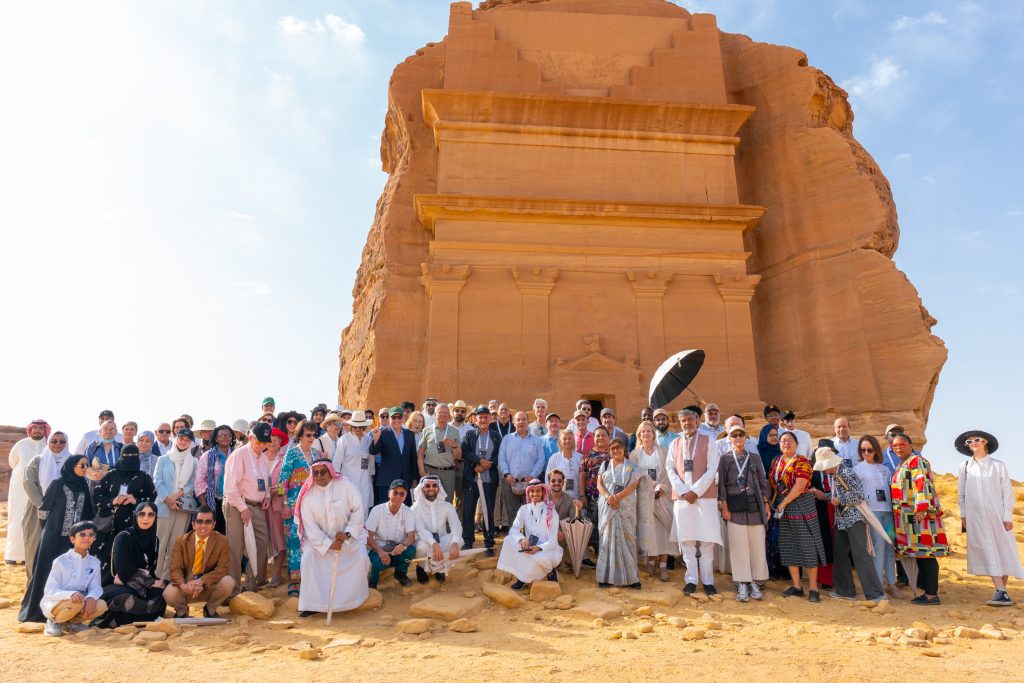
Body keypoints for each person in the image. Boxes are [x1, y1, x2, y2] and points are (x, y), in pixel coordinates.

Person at [19, 455, 94, 623]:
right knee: (48, 571)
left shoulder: (83, 486)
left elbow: (88, 513)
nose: (85, 467)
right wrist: (50, 530)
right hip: (53, 537)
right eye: (81, 465)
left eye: (86, 465)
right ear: (71, 466)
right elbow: (44, 511)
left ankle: (67, 611)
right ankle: (38, 612)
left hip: (74, 541)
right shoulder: (58, 484)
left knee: (69, 574)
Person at [955, 429, 1023, 606]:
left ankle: (1001, 591)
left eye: (976, 440)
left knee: (1004, 550)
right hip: (975, 516)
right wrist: (964, 515)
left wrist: (1007, 515)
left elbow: (1007, 493)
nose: (973, 443)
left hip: (997, 515)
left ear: (985, 442)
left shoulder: (998, 466)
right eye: (969, 442)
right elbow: (961, 494)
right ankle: (1001, 590)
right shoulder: (965, 467)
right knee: (986, 549)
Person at [294, 458, 368, 617]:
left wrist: (347, 534)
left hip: (349, 539)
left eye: (323, 472)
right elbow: (310, 528)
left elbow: (358, 511)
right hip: (320, 543)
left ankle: (352, 601)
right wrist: (328, 544)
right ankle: (312, 604)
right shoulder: (308, 496)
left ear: (331, 472)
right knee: (308, 558)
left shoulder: (346, 485)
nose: (319, 476)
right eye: (315, 473)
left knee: (361, 556)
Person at [811, 448, 885, 603]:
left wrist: (838, 500)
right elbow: (838, 496)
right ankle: (845, 591)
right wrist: (825, 496)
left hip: (854, 518)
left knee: (861, 555)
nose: (823, 470)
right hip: (842, 519)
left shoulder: (847, 473)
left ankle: (876, 594)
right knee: (840, 553)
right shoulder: (836, 474)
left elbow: (858, 495)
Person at [667, 408, 722, 595]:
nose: (687, 423)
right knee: (687, 542)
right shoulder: (674, 443)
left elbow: (712, 468)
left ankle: (707, 581)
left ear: (698, 421)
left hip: (704, 498)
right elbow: (670, 469)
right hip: (683, 500)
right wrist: (684, 491)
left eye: (690, 419)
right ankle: (691, 580)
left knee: (707, 542)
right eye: (683, 420)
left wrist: (696, 491)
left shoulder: (709, 441)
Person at [770, 431, 827, 602]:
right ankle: (796, 586)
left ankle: (814, 589)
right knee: (788, 545)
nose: (786, 443)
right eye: (783, 441)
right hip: (783, 507)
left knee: (807, 545)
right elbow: (771, 483)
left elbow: (800, 485)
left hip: (801, 505)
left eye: (790, 440)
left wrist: (783, 503)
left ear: (796, 444)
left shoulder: (802, 461)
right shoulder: (776, 461)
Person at [890, 432, 946, 605]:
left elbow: (921, 485)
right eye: (895, 446)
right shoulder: (903, 464)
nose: (898, 448)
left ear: (910, 445)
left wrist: (921, 508)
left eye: (902, 445)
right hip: (908, 517)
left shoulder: (916, 461)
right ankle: (928, 592)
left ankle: (931, 594)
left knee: (927, 553)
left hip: (919, 515)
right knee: (920, 553)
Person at [718, 423, 769, 601]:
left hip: (755, 506)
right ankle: (742, 582)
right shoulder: (725, 458)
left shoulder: (754, 458)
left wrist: (766, 505)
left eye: (741, 435)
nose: (738, 438)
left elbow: (763, 483)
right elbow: (722, 485)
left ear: (746, 437)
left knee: (756, 545)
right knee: (738, 545)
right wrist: (724, 507)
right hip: (735, 507)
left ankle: (754, 581)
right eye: (734, 435)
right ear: (729, 439)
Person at [91, 444, 157, 582]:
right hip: (109, 526)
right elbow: (96, 495)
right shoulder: (110, 475)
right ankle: (104, 584)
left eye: (133, 457)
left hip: (133, 526)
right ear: (120, 457)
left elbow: (152, 497)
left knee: (129, 553)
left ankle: (129, 582)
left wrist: (136, 500)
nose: (130, 460)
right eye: (126, 456)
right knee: (106, 555)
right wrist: (112, 501)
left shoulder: (144, 477)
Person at [95, 501, 166, 627]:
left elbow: (151, 568)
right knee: (127, 597)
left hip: (137, 582)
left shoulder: (154, 540)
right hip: (116, 583)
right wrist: (150, 582)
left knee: (161, 593)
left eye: (151, 515)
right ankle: (119, 620)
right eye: (142, 514)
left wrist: (156, 582)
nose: (146, 518)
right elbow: (123, 570)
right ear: (135, 516)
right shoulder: (124, 537)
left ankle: (143, 618)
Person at [224, 422, 272, 592]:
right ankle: (233, 590)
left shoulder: (264, 458)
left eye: (265, 443)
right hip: (238, 504)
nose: (262, 446)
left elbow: (266, 482)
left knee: (262, 542)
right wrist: (242, 508)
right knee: (235, 548)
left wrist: (266, 496)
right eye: (259, 442)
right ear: (251, 438)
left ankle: (251, 586)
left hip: (257, 506)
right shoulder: (239, 455)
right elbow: (230, 488)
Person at [163, 506, 235, 618]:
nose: (203, 525)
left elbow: (222, 569)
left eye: (208, 522)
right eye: (199, 521)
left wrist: (201, 581)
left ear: (214, 524)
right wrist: (183, 586)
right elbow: (175, 569)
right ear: (193, 524)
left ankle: (210, 609)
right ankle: (182, 611)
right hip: (187, 586)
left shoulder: (222, 541)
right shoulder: (181, 541)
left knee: (228, 582)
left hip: (207, 585)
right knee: (169, 593)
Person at [39, 521, 107, 637]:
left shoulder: (95, 562)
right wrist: (71, 594)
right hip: (58, 602)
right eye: (82, 534)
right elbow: (50, 590)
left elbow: (96, 587)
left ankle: (73, 623)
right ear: (72, 539)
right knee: (76, 603)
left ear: (94, 539)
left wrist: (91, 597)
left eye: (91, 535)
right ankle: (54, 621)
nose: (87, 538)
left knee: (101, 605)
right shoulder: (61, 561)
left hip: (80, 601)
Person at [278, 420, 320, 594]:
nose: (311, 438)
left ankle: (312, 581)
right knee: (294, 544)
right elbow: (282, 482)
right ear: (300, 435)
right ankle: (294, 583)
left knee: (314, 542)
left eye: (314, 435)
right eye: (308, 434)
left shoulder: (318, 455)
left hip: (315, 507)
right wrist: (285, 504)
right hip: (294, 506)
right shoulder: (292, 454)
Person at [497, 479, 563, 590]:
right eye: (532, 491)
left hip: (547, 549)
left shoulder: (551, 511)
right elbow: (514, 530)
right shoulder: (524, 509)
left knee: (538, 558)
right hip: (529, 546)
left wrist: (538, 548)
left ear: (543, 492)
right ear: (528, 493)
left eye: (538, 491)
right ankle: (522, 576)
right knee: (508, 540)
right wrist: (522, 539)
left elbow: (553, 542)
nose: (535, 494)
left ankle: (550, 572)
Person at [854, 434, 899, 597]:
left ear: (875, 450)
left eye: (869, 450)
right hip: (872, 513)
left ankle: (891, 584)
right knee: (878, 546)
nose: (866, 453)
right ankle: (878, 586)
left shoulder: (885, 469)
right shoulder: (857, 469)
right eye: (863, 450)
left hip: (888, 513)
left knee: (889, 547)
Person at [596, 436, 642, 589]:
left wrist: (617, 497)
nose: (615, 450)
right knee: (607, 540)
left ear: (624, 449)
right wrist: (609, 497)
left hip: (625, 507)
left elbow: (633, 485)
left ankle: (632, 578)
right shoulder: (605, 465)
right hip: (607, 505)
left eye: (618, 447)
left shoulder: (632, 466)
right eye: (612, 448)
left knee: (628, 540)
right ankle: (605, 577)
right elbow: (599, 484)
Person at [23, 432, 70, 577]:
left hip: (64, 511)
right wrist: (44, 505)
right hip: (37, 510)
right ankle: (33, 588)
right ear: (48, 442)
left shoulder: (71, 462)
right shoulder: (37, 461)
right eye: (54, 441)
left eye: (62, 441)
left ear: (66, 443)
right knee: (35, 548)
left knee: (61, 550)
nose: (57, 444)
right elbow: (28, 483)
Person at [630, 420, 672, 581]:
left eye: (649, 431)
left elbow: (668, 473)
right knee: (649, 532)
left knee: (663, 532)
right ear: (639, 435)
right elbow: (633, 477)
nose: (646, 434)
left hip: (662, 496)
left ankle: (663, 566)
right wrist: (647, 491)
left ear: (654, 434)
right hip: (644, 498)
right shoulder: (634, 455)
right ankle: (651, 562)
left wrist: (660, 488)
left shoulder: (663, 451)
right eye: (643, 432)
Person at [154, 428, 198, 580]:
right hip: (164, 507)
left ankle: (167, 579)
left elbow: (193, 483)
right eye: (181, 438)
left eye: (187, 440)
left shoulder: (194, 462)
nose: (183, 442)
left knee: (175, 545)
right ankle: (155, 577)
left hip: (182, 507)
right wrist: (168, 499)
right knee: (160, 544)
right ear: (176, 439)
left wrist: (178, 494)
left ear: (191, 443)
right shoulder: (163, 459)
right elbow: (157, 481)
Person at [5, 418, 49, 564]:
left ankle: (28, 556)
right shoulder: (20, 444)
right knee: (16, 519)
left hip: (39, 489)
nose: (37, 430)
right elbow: (13, 462)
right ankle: (13, 555)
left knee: (34, 522)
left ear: (45, 430)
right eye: (35, 428)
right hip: (19, 489)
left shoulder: (49, 445)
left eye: (40, 428)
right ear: (30, 429)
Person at [461, 406, 500, 556]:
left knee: (488, 511)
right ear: (475, 419)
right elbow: (465, 451)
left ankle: (489, 543)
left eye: (486, 417)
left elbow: (499, 455)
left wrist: (487, 465)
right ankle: (468, 541)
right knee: (468, 510)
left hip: (489, 480)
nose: (483, 420)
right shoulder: (470, 434)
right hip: (472, 479)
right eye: (480, 417)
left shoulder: (496, 436)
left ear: (490, 418)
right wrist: (478, 462)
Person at [365, 479, 417, 588]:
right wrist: (380, 551)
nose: (398, 496)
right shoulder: (376, 510)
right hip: (379, 549)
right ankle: (373, 582)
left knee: (411, 550)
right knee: (377, 563)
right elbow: (368, 537)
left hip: (398, 550)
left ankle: (400, 573)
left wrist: (402, 545)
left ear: (405, 496)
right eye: (395, 492)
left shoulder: (409, 512)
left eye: (402, 494)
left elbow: (411, 537)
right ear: (389, 493)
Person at [411, 476, 463, 583]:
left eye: (434, 485)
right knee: (420, 547)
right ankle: (421, 568)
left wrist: (454, 543)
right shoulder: (415, 508)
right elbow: (420, 531)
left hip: (442, 540)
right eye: (427, 486)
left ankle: (441, 568)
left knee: (459, 541)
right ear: (422, 489)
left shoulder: (447, 506)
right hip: (425, 542)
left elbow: (456, 526)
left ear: (438, 489)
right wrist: (434, 544)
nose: (431, 488)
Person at [498, 411, 546, 524]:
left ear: (528, 422)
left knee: (531, 512)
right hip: (510, 482)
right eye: (518, 420)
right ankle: (515, 539)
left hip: (530, 483)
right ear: (514, 422)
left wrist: (533, 475)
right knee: (512, 513)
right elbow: (501, 458)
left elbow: (541, 459)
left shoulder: (536, 440)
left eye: (524, 419)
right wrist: (506, 474)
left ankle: (530, 539)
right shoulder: (506, 439)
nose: (521, 422)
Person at [368, 407, 417, 506]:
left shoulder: (410, 434)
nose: (396, 420)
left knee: (404, 509)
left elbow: (413, 458)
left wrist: (415, 478)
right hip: (387, 480)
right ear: (389, 419)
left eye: (399, 417)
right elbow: (373, 451)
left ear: (403, 418)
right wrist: (376, 439)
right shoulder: (382, 434)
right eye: (394, 417)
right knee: (385, 509)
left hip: (405, 480)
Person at [580, 426, 612, 565]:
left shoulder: (614, 453)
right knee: (594, 525)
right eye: (597, 435)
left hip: (610, 497)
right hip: (592, 496)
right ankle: (598, 555)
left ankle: (607, 555)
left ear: (608, 437)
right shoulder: (588, 455)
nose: (600, 438)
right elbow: (582, 476)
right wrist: (582, 495)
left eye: (603, 435)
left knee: (608, 525)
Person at [808, 441, 837, 589]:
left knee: (836, 542)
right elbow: (806, 485)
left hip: (836, 508)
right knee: (823, 540)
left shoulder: (837, 467)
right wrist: (814, 491)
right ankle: (824, 578)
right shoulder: (812, 469)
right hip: (819, 509)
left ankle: (836, 577)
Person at [195, 425, 234, 534]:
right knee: (213, 534)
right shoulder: (207, 456)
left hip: (233, 502)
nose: (225, 437)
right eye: (222, 435)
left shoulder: (237, 455)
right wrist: (204, 503)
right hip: (213, 501)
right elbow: (199, 480)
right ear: (216, 438)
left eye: (228, 435)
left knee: (230, 534)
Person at [417, 404, 462, 497]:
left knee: (447, 501)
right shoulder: (426, 430)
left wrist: (454, 445)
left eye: (446, 413)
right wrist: (422, 472)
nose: (443, 415)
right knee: (428, 499)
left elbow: (458, 456)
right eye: (440, 412)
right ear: (435, 414)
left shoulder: (455, 431)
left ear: (449, 416)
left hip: (448, 473)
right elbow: (420, 453)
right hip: (430, 471)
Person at [265, 427, 290, 588]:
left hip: (278, 504)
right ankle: (262, 575)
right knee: (265, 539)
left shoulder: (286, 458)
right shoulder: (258, 458)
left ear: (281, 441)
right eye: (270, 437)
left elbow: (290, 481)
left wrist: (278, 490)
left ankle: (277, 574)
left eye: (276, 437)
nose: (273, 440)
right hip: (260, 505)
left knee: (279, 538)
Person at [336, 414, 375, 512]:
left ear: (364, 427)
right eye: (355, 426)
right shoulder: (344, 439)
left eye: (360, 426)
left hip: (365, 480)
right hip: (348, 480)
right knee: (349, 511)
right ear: (351, 426)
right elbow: (337, 462)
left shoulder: (369, 439)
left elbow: (371, 462)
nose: (358, 429)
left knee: (364, 511)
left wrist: (371, 476)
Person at [546, 430, 583, 501]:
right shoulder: (554, 458)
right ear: (560, 441)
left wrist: (582, 495)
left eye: (570, 438)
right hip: (558, 497)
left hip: (576, 497)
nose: (567, 441)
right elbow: (547, 479)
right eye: (564, 439)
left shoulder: (580, 457)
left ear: (573, 441)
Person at [757, 404, 783, 473]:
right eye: (770, 416)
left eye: (776, 415)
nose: (774, 417)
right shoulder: (763, 434)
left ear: (780, 416)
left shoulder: (787, 434)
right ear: (766, 418)